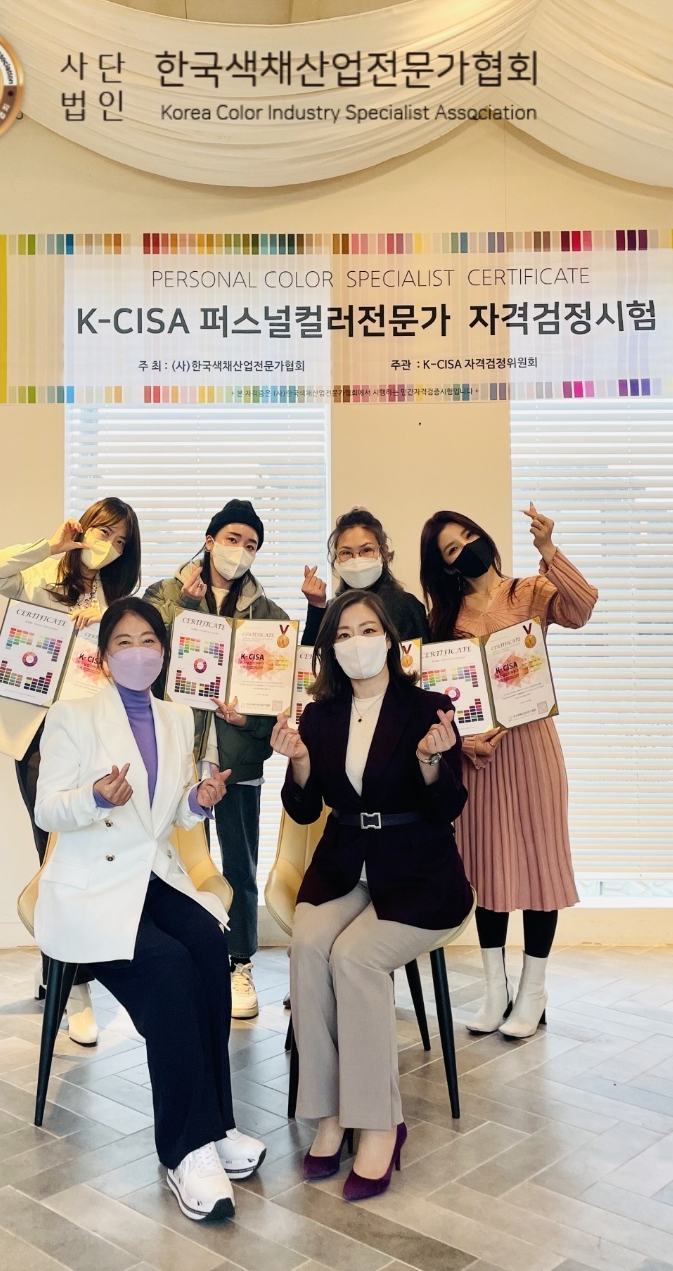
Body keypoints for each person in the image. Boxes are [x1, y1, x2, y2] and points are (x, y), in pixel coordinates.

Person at [33, 597, 266, 1223]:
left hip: (151, 878)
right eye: (124, 642)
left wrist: (199, 801)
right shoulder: (73, 716)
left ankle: (216, 1125)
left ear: (164, 652)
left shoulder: (176, 717)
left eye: (149, 642)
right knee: (167, 969)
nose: (138, 653)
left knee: (209, 945)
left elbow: (165, 821)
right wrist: (93, 797)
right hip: (93, 887)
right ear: (104, 656)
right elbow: (48, 809)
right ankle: (184, 1149)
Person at [272, 590, 472, 1201]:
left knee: (353, 958)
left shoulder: (428, 709)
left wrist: (432, 763)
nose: (356, 642)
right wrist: (299, 763)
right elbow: (304, 807)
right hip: (344, 864)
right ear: (330, 648)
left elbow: (449, 806)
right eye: (343, 634)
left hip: (419, 873)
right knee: (308, 947)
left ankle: (381, 1123)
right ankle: (330, 1113)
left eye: (367, 630)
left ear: (389, 638)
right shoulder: (320, 716)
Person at [420, 504, 598, 1039]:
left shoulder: (529, 591)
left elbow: (581, 609)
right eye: (452, 549)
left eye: (468, 536)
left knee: (541, 867)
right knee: (489, 868)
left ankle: (533, 990)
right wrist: (465, 743)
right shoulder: (444, 621)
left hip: (534, 748)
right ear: (445, 565)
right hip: (481, 758)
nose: (466, 549)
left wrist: (548, 549)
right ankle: (495, 989)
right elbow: (439, 699)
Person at [0, 498, 141, 1045]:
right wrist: (50, 546)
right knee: (51, 850)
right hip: (40, 734)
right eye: (103, 531)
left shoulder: (118, 600)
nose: (108, 545)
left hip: (92, 736)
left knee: (85, 852)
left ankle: (65, 969)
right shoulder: (42, 578)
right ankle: (73, 984)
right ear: (83, 527)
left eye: (120, 541)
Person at [145, 499, 290, 1021]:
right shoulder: (164, 595)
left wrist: (245, 721)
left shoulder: (270, 617)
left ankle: (239, 962)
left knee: (239, 864)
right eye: (232, 539)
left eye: (251, 544)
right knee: (180, 861)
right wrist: (183, 610)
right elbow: (143, 663)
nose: (240, 551)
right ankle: (188, 957)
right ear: (210, 541)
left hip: (238, 760)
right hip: (178, 752)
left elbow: (278, 701)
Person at [300, 506, 429, 645]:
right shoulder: (332, 609)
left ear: (383, 552)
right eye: (346, 552)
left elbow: (418, 657)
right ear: (336, 558)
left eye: (366, 550)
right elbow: (312, 656)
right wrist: (316, 607)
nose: (356, 559)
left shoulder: (406, 606)